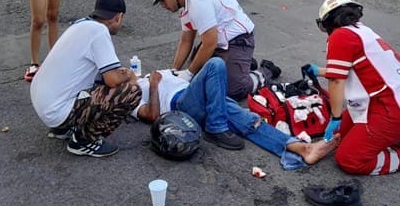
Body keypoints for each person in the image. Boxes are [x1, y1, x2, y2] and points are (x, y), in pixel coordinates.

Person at [132, 57, 340, 165]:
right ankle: (216, 127)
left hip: (203, 98)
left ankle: (302, 149)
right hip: (182, 107)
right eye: (121, 72)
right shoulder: (133, 92)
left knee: (249, 120)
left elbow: (194, 78)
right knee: (215, 64)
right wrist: (152, 85)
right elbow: (152, 116)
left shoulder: (158, 74)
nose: (125, 70)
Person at [306, 0, 400, 175]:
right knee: (339, 137)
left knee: (348, 159)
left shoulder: (340, 36)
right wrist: (319, 71)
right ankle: (391, 138)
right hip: (396, 105)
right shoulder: (362, 32)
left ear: (327, 23)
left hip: (388, 111)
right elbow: (355, 70)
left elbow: (337, 80)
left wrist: (335, 117)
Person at [30, 0, 141, 158]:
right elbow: (112, 80)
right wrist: (130, 76)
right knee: (131, 92)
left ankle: (64, 129)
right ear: (118, 17)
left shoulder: (80, 25)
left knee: (98, 84)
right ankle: (84, 141)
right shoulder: (99, 32)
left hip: (44, 102)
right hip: (56, 110)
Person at [150, 0, 280, 101]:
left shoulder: (198, 2)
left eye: (163, 0)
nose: (163, 6)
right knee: (199, 81)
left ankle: (264, 71)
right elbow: (186, 40)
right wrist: (174, 72)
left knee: (232, 90)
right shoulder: (185, 7)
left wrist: (188, 73)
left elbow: (209, 43)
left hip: (239, 40)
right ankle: (242, 64)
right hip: (220, 41)